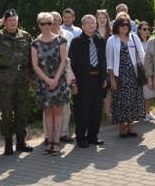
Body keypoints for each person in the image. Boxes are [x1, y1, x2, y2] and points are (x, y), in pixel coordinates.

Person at [0, 9, 34, 155]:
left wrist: (32, 76)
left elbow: (32, 57)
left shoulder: (25, 36)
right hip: (6, 81)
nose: (13, 22)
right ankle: (8, 143)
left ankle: (21, 141)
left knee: (22, 112)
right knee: (7, 112)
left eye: (15, 20)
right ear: (4, 22)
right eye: (10, 20)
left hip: (22, 79)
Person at [32, 12, 70, 156]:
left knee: (58, 111)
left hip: (59, 81)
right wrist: (48, 80)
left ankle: (57, 143)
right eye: (43, 23)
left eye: (49, 23)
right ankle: (49, 141)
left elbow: (63, 60)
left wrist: (56, 79)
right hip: (43, 83)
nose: (47, 26)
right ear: (39, 25)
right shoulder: (35, 43)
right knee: (48, 112)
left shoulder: (60, 40)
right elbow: (35, 65)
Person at [69, 14, 107, 148]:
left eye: (93, 23)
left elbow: (104, 61)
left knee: (96, 110)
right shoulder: (76, 42)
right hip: (83, 79)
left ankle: (93, 136)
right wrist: (73, 83)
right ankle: (80, 137)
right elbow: (71, 64)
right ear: (83, 26)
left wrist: (104, 78)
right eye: (88, 23)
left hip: (97, 79)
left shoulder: (100, 40)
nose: (91, 25)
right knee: (83, 110)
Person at [106, 12, 145, 137]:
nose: (125, 27)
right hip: (119, 76)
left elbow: (142, 55)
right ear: (117, 26)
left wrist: (147, 72)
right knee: (121, 102)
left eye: (127, 24)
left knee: (133, 101)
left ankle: (130, 126)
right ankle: (122, 127)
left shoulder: (134, 37)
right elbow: (109, 61)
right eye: (122, 24)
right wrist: (112, 79)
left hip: (133, 75)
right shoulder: (112, 40)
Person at [49, 11, 75, 143]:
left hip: (65, 74)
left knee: (65, 105)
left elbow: (72, 56)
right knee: (49, 107)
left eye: (57, 18)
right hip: (49, 76)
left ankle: (63, 133)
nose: (54, 21)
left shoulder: (68, 35)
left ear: (61, 20)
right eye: (52, 19)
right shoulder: (43, 36)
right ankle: (49, 135)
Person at [137, 22, 155, 122]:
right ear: (139, 30)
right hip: (141, 71)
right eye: (144, 29)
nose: (147, 31)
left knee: (149, 93)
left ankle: (148, 112)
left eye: (148, 29)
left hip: (151, 70)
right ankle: (142, 113)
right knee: (143, 94)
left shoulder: (152, 42)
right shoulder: (137, 43)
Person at [96, 9, 113, 121]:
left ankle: (107, 112)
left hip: (109, 64)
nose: (102, 20)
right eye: (100, 18)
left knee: (108, 89)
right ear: (96, 19)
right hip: (96, 64)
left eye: (104, 17)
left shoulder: (111, 33)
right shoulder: (93, 32)